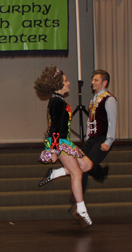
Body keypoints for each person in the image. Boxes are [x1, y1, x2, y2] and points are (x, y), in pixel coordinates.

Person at [35, 66, 94, 226]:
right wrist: (53, 150)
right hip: (59, 142)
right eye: (66, 81)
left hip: (64, 141)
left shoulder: (58, 100)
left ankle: (56, 173)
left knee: (87, 165)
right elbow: (54, 127)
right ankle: (81, 208)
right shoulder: (57, 102)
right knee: (77, 173)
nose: (68, 83)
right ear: (59, 84)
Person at [79, 70, 117, 197]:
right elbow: (90, 119)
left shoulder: (109, 99)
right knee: (80, 164)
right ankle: (79, 198)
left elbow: (112, 120)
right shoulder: (94, 99)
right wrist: (87, 136)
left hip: (102, 138)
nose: (92, 82)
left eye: (96, 80)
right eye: (93, 80)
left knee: (88, 164)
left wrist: (109, 141)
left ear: (104, 83)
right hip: (92, 138)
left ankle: (100, 173)